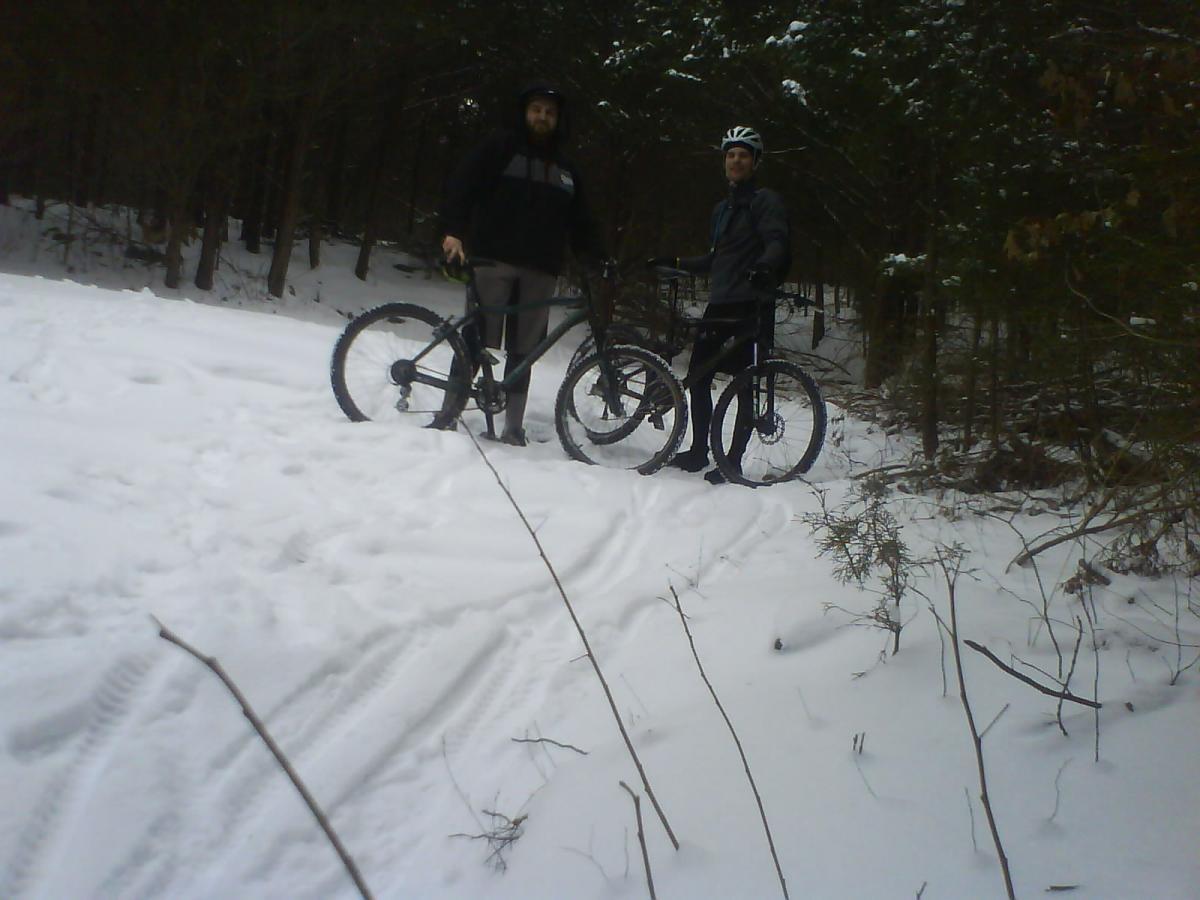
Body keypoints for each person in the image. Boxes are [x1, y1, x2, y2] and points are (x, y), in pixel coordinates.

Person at [431, 81, 600, 445]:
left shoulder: (567, 169)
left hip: (541, 268)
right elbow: (462, 186)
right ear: (525, 113)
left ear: (558, 119)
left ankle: (512, 428)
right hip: (494, 258)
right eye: (536, 109)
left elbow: (581, 222)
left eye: (550, 112)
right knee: (475, 340)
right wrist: (453, 231)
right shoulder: (499, 148)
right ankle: (447, 415)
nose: (542, 117)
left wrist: (595, 260)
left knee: (524, 352)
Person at [650, 125, 791, 483]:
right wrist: (677, 263)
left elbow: (777, 242)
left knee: (744, 385)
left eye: (743, 155)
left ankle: (732, 462)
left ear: (755, 161)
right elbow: (716, 259)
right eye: (731, 155)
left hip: (751, 305)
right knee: (698, 378)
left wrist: (764, 267)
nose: (736, 160)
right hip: (721, 303)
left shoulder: (765, 201)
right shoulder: (722, 209)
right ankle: (699, 452)